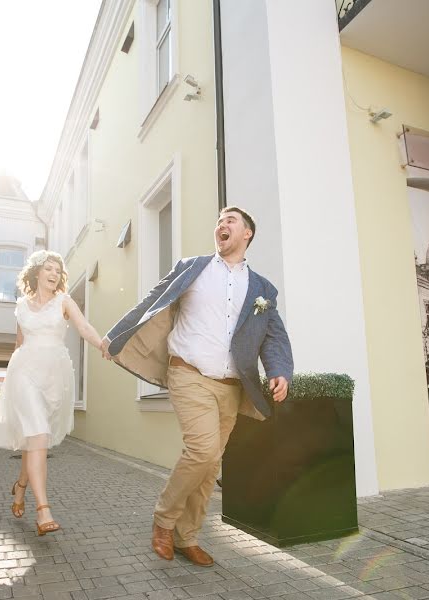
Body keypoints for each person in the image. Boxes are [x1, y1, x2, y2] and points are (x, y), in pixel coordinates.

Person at [101, 206, 293, 566]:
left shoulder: (262, 288)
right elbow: (152, 301)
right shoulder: (194, 267)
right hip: (187, 373)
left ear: (247, 233)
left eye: (230, 221)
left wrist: (280, 370)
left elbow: (273, 335)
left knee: (210, 465)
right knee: (202, 452)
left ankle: (186, 536)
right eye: (219, 220)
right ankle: (163, 521)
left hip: (232, 386)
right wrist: (116, 335)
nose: (221, 224)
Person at [0, 250, 104, 536]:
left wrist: (103, 345)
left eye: (57, 270)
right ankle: (43, 510)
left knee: (35, 439)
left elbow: (84, 327)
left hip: (54, 376)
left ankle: (20, 488)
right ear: (37, 272)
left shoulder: (64, 301)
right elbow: (19, 344)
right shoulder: (21, 307)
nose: (54, 274)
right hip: (25, 373)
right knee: (38, 433)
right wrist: (10, 386)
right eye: (49, 268)